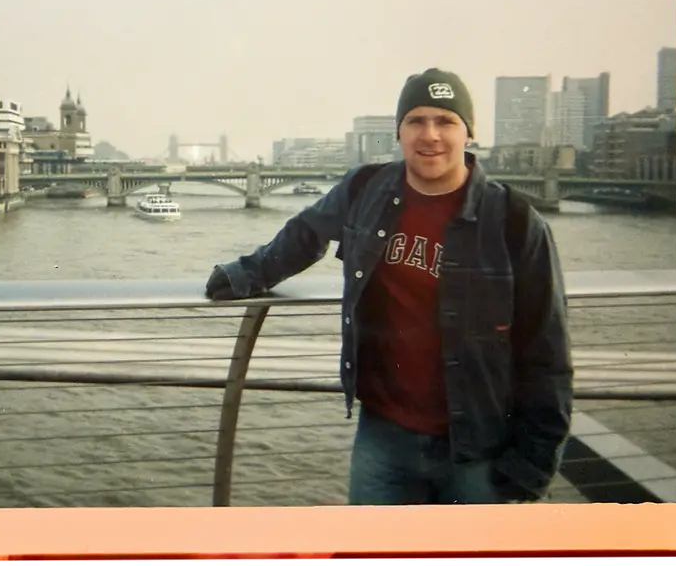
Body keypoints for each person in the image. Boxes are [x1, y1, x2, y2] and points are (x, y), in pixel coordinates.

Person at [204, 68, 573, 506]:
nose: (430, 134)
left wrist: (532, 466)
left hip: (481, 446)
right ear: (398, 132)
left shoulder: (515, 221)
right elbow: (306, 233)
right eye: (416, 120)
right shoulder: (365, 188)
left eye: (445, 121)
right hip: (383, 437)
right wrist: (245, 275)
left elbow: (547, 355)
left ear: (469, 133)